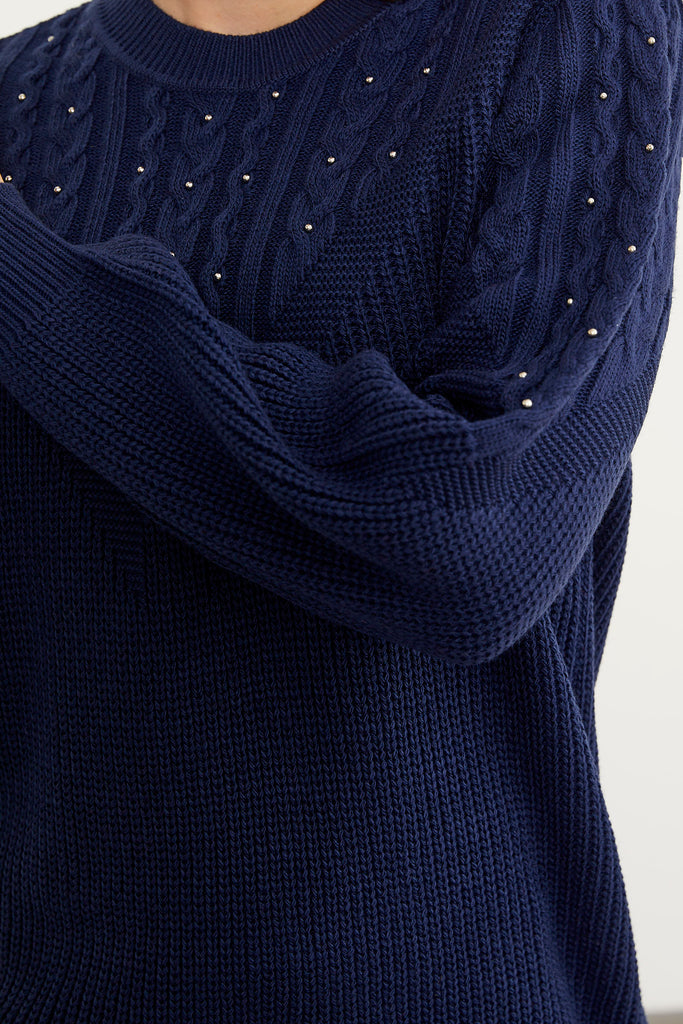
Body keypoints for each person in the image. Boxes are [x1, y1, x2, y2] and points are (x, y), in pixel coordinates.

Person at [0, 0, 681, 1020]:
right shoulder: (17, 92)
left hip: (441, 984)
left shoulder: (560, 27)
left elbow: (477, 537)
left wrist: (26, 283)